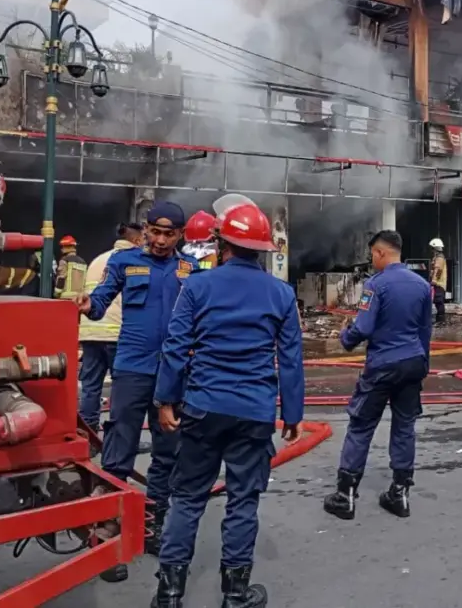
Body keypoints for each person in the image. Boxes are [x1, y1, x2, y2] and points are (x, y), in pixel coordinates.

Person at [151, 200, 304, 608]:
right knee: (243, 501)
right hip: (253, 412)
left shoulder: (198, 286)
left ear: (223, 244)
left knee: (186, 498)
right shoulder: (282, 293)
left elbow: (176, 347)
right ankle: (235, 595)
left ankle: (168, 593)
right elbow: (289, 358)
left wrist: (166, 400)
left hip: (202, 407)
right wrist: (293, 414)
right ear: (261, 249)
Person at [74, 202, 197, 579]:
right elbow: (100, 302)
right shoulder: (125, 263)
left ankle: (154, 522)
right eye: (155, 232)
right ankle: (109, 530)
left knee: (168, 448)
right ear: (145, 230)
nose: (160, 240)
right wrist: (87, 304)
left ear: (180, 235)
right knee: (119, 446)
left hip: (174, 373)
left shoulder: (191, 269)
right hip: (131, 368)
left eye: (169, 234)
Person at [323, 230, 433, 521]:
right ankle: (400, 494)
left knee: (361, 425)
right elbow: (425, 330)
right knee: (404, 426)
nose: (372, 260)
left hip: (383, 365)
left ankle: (345, 495)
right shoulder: (422, 285)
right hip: (412, 363)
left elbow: (364, 327)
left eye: (373, 255)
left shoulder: (376, 284)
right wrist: (424, 363)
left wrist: (345, 338)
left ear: (382, 253)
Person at [77, 222, 144, 436]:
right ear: (136, 240)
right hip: (117, 335)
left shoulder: (97, 260)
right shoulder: (134, 262)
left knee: (90, 387)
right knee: (121, 388)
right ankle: (115, 436)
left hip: (90, 333)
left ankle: (88, 434)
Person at [54, 235, 88, 299]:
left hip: (66, 297)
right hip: (79, 298)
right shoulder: (83, 262)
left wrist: (56, 293)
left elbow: (61, 278)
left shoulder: (64, 260)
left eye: (63, 246)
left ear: (69, 247)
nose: (62, 249)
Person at [428, 238, 447, 325]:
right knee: (437, 301)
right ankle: (440, 320)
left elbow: (438, 270)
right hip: (439, 283)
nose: (431, 250)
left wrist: (434, 280)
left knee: (439, 301)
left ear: (435, 248)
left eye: (432, 248)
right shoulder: (438, 257)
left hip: (439, 284)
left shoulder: (439, 258)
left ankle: (441, 321)